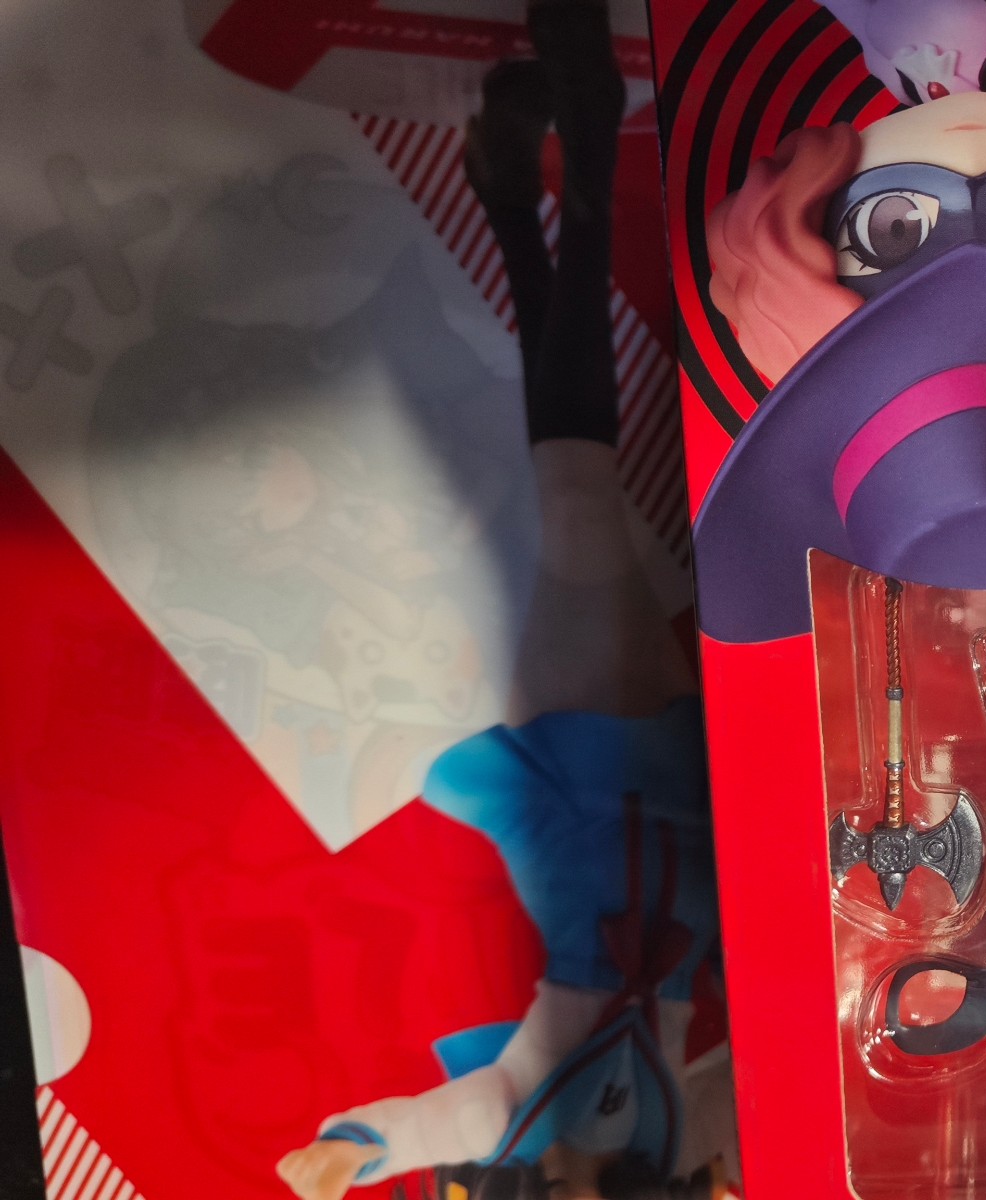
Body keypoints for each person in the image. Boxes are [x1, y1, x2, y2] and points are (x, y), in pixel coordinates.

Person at [274, 4, 716, 1197]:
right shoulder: (679, 1144)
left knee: (577, 493)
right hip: (684, 797)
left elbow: (458, 1116)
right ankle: (512, 187)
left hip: (575, 794)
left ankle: (584, 140)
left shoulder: (527, 1124)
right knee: (578, 484)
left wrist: (360, 1151)